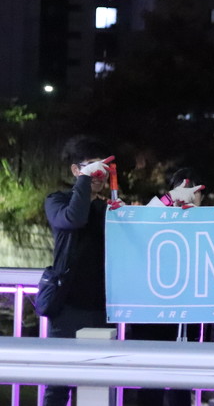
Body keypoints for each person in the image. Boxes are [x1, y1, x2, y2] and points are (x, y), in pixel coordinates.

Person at [43, 136, 115, 406]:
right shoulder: (57, 201)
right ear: (75, 170)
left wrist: (167, 200)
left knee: (95, 385)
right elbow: (73, 219)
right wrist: (84, 181)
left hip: (101, 307)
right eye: (92, 167)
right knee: (58, 385)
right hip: (67, 306)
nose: (99, 174)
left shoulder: (107, 208)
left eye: (103, 168)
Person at [127, 167, 207, 406]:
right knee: (150, 382)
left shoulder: (209, 224)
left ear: (202, 197)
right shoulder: (155, 219)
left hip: (189, 314)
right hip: (152, 313)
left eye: (194, 191)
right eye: (182, 190)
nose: (188, 196)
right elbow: (136, 224)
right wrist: (168, 200)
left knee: (182, 383)